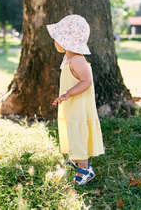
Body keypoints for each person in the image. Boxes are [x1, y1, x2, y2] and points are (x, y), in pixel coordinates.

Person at [46, 14, 105, 185]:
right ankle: (78, 160)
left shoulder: (77, 60)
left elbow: (86, 81)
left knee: (78, 135)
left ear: (66, 41)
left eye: (57, 38)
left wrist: (68, 93)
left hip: (78, 107)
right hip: (72, 107)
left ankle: (85, 169)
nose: (54, 42)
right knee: (73, 133)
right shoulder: (69, 58)